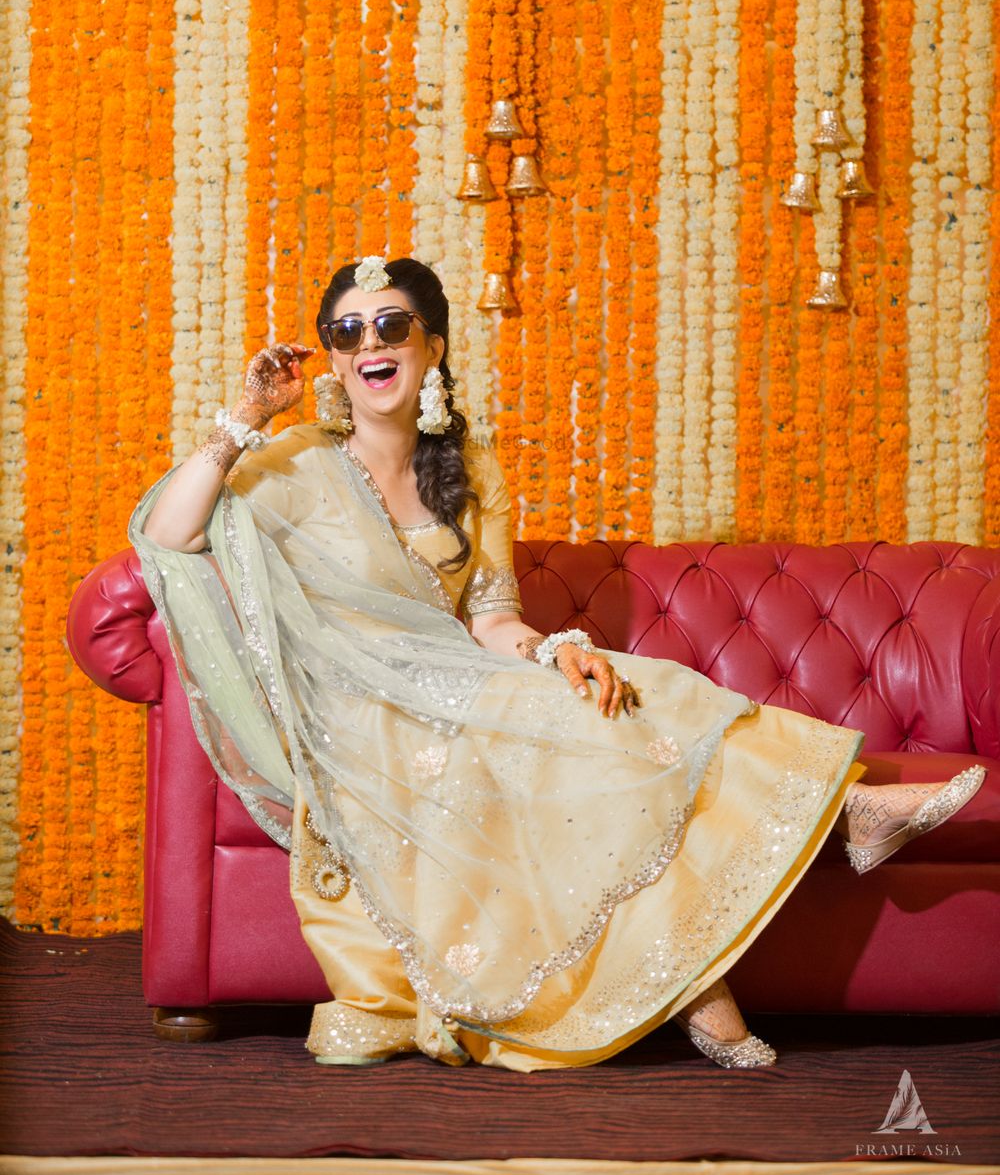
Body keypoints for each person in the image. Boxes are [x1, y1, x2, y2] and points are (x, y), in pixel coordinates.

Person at [131, 256, 986, 1073]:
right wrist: (247, 415)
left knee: (618, 693)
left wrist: (560, 649)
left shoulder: (469, 472)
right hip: (361, 709)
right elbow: (168, 536)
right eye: (346, 332)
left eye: (391, 325)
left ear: (432, 347)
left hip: (461, 677)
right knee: (561, 727)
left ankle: (782, 880)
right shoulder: (293, 463)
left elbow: (492, 620)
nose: (368, 346)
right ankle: (734, 938)